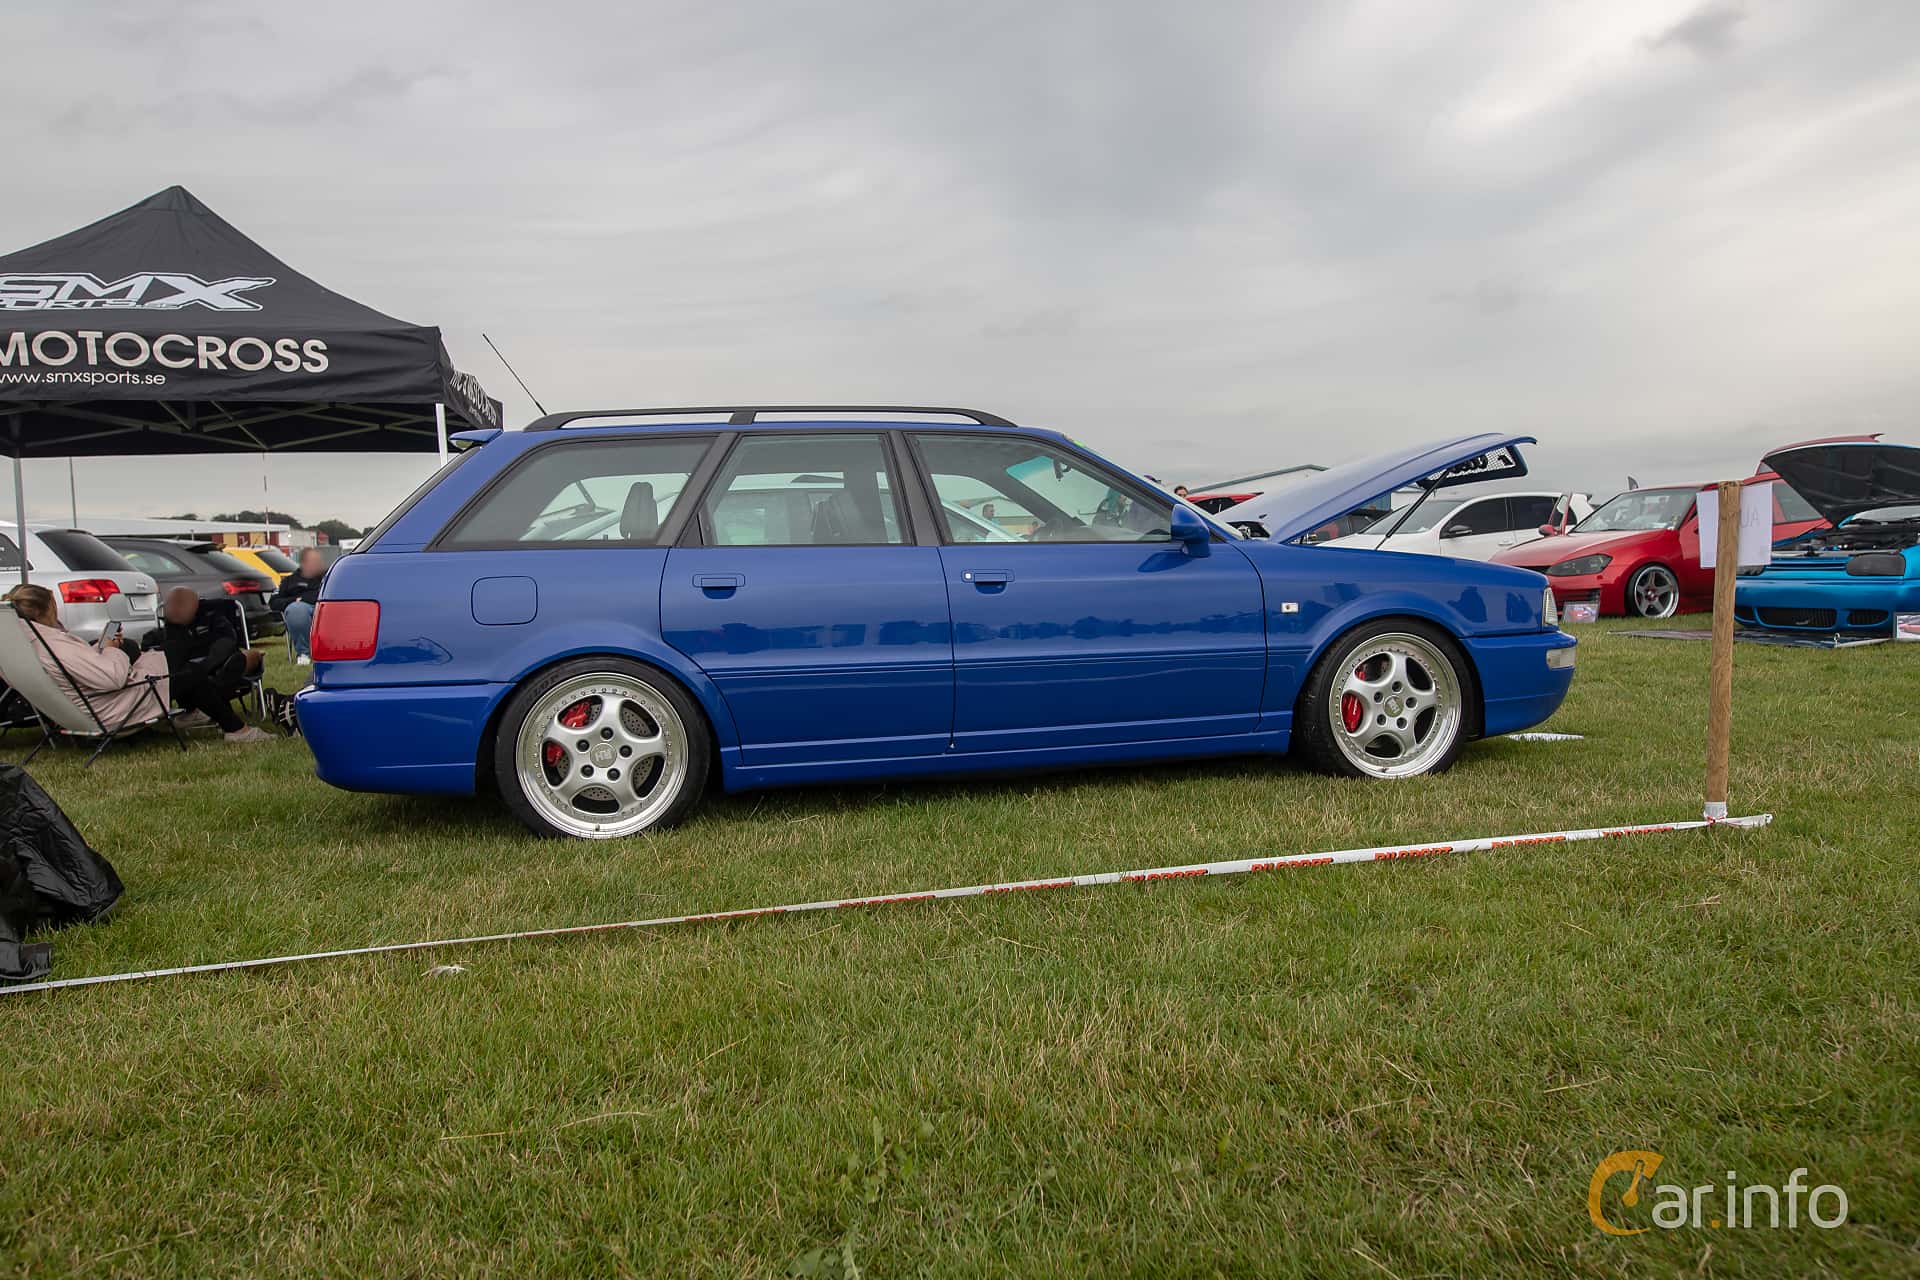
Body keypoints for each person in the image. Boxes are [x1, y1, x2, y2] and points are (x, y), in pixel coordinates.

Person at [4, 583, 177, 732]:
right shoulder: (54, 645)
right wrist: (111, 649)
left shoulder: (16, 645)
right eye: (53, 606)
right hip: (109, 710)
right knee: (179, 663)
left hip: (71, 711)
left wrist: (101, 646)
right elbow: (113, 678)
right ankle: (195, 711)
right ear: (42, 611)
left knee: (146, 652)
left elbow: (79, 665)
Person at [141, 587, 274, 743]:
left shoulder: (213, 620)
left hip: (217, 667)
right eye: (172, 604)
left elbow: (225, 644)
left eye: (181, 604)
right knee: (194, 674)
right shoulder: (161, 635)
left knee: (238, 659)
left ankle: (221, 719)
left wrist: (207, 665)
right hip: (185, 678)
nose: (176, 608)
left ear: (195, 605)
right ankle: (233, 727)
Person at [269, 547, 327, 666]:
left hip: (324, 610)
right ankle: (304, 654)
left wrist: (305, 598)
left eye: (318, 561)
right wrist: (295, 600)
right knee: (296, 610)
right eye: (313, 561)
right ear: (303, 563)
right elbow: (274, 602)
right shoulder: (290, 581)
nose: (317, 564)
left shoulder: (327, 578)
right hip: (300, 611)